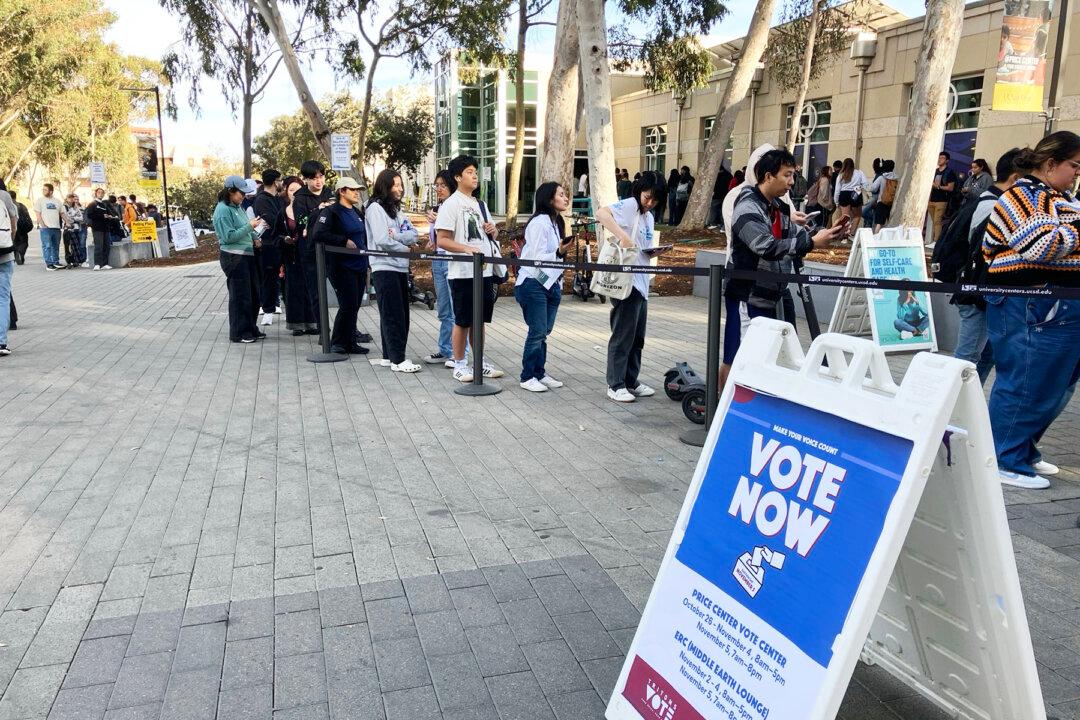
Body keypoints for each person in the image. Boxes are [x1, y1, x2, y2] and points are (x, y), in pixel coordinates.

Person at [982, 130, 1080, 489]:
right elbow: (1040, 244)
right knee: (1026, 381)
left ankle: (1020, 450)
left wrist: (1068, 229)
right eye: (1074, 165)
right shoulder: (1023, 196)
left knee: (1054, 384)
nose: (1076, 174)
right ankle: (1002, 455)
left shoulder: (1058, 198)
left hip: (1055, 303)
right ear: (1051, 163)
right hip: (1031, 302)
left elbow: (1056, 238)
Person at [723, 147, 846, 387]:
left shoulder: (776, 206)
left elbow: (795, 236)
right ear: (768, 176)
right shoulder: (747, 204)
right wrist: (811, 241)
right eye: (787, 175)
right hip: (747, 296)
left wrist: (829, 235)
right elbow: (765, 246)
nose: (792, 182)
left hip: (771, 294)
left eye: (793, 175)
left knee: (767, 360)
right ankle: (724, 412)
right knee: (741, 359)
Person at [949, 148, 1023, 385]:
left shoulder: (996, 202)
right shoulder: (993, 206)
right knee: (967, 357)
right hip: (976, 293)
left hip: (987, 294)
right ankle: (953, 408)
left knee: (984, 355)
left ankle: (968, 407)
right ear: (1015, 179)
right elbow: (978, 252)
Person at [595, 172, 670, 402]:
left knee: (637, 337)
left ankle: (630, 380)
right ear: (639, 191)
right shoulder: (629, 205)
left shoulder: (648, 216)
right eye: (647, 197)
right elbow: (601, 213)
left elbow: (642, 247)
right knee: (623, 335)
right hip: (627, 282)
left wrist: (654, 251)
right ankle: (615, 383)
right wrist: (622, 237)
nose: (649, 203)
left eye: (654, 200)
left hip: (641, 281)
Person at [434, 155, 505, 383]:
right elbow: (442, 240)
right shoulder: (451, 204)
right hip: (462, 273)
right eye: (470, 172)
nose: (475, 176)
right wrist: (466, 249)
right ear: (457, 177)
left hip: (483, 271)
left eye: (475, 171)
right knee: (463, 320)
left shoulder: (480, 204)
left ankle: (479, 361)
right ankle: (459, 363)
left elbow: (491, 237)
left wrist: (493, 231)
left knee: (480, 320)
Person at [515, 182, 574, 392]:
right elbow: (537, 258)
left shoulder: (555, 221)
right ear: (549, 199)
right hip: (533, 283)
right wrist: (558, 252)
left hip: (550, 284)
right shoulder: (540, 222)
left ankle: (539, 373)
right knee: (538, 330)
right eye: (561, 194)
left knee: (543, 332)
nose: (565, 198)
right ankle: (527, 375)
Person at [366, 169, 422, 372]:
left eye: (400, 185)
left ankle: (389, 356)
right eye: (395, 185)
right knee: (393, 315)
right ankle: (399, 360)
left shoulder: (396, 210)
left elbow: (413, 233)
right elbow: (381, 240)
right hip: (384, 267)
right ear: (385, 186)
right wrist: (405, 247)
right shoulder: (375, 208)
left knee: (399, 314)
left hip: (399, 267)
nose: (399, 189)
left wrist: (396, 235)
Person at [311, 177, 370, 355]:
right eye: (352, 190)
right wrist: (343, 241)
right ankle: (337, 342)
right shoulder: (331, 212)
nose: (356, 193)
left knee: (354, 305)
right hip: (342, 267)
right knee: (348, 305)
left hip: (359, 265)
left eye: (357, 190)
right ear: (341, 192)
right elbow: (318, 234)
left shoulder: (357, 212)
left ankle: (350, 341)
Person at [213, 175, 264, 344]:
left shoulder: (238, 207)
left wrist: (255, 236)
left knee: (254, 294)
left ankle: (250, 328)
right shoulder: (222, 210)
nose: (243, 196)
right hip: (234, 257)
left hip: (247, 255)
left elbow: (245, 227)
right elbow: (228, 237)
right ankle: (239, 332)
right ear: (230, 191)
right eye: (241, 193)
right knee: (241, 296)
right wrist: (250, 227)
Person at [291, 161, 333, 337]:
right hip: (310, 251)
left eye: (321, 176)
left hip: (331, 248)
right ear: (305, 179)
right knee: (316, 292)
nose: (318, 181)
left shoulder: (329, 193)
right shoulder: (300, 198)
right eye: (314, 178)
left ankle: (348, 330)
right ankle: (323, 331)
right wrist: (318, 210)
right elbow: (301, 222)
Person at [424, 170, 456, 365]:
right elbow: (438, 238)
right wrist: (432, 241)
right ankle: (445, 349)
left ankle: (457, 351)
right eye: (437, 185)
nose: (439, 189)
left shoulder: (456, 207)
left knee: (454, 308)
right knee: (443, 308)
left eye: (443, 185)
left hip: (453, 260)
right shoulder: (439, 207)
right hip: (438, 259)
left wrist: (438, 221)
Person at [253, 169, 287, 326]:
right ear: (275, 182)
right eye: (280, 180)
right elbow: (273, 220)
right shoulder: (261, 200)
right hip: (268, 245)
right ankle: (268, 309)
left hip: (283, 243)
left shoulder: (280, 199)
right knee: (269, 278)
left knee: (286, 278)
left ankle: (289, 308)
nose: (282, 183)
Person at [281, 176, 312, 336]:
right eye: (291, 190)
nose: (294, 193)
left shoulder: (308, 207)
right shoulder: (283, 211)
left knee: (310, 288)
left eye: (297, 190)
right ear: (286, 192)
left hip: (307, 253)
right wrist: (285, 239)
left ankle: (313, 323)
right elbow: (277, 233)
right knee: (294, 289)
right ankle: (296, 324)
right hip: (291, 256)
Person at [928, 151, 957, 246]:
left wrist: (939, 186)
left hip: (942, 200)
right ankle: (934, 240)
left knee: (937, 221)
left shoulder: (949, 172)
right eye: (939, 157)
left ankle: (937, 242)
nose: (939, 159)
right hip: (932, 199)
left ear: (947, 160)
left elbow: (950, 187)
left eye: (942, 158)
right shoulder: (935, 171)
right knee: (934, 221)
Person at [832, 158, 867, 234]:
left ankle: (843, 234)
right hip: (856, 193)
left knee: (845, 217)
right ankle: (852, 233)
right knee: (857, 216)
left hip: (844, 194)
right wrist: (859, 187)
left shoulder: (841, 175)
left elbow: (837, 191)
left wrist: (836, 202)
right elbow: (865, 184)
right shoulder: (859, 173)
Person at [85, 188, 116, 271]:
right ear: (96, 194)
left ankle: (105, 264)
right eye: (99, 192)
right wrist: (102, 216)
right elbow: (90, 215)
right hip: (97, 228)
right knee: (98, 246)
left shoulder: (104, 204)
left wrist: (109, 216)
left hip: (105, 228)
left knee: (106, 246)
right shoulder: (92, 204)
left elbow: (109, 213)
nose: (101, 194)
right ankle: (97, 264)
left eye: (102, 193)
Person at [34, 183, 64, 269]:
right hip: (46, 228)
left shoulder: (57, 201)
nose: (43, 191)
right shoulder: (40, 200)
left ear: (51, 191)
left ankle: (56, 262)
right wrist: (43, 225)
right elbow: (38, 214)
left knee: (56, 246)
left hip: (56, 227)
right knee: (47, 246)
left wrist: (68, 222)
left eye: (45, 190)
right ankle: (49, 264)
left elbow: (62, 213)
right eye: (43, 190)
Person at [870, 160, 899, 232]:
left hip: (882, 202)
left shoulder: (881, 178)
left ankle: (876, 238)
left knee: (879, 223)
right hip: (892, 203)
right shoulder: (897, 179)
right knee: (890, 223)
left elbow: (873, 189)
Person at [8, 190, 31, 265]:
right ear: (15, 196)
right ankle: (20, 253)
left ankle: (16, 253)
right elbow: (27, 216)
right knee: (24, 243)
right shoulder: (21, 205)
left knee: (14, 242)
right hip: (22, 227)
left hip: (11, 226)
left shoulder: (7, 206)